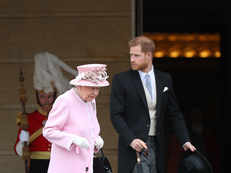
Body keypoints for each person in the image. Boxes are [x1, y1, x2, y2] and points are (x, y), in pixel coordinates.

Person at [110, 35, 196, 173]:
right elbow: (116, 115)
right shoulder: (121, 80)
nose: (132, 59)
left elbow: (174, 113)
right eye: (131, 55)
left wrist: (185, 140)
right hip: (133, 147)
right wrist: (131, 140)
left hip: (158, 144)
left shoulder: (165, 79)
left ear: (149, 55)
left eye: (136, 55)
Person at [14, 52, 77, 173]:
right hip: (38, 166)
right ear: (37, 97)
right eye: (42, 96)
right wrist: (23, 143)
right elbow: (18, 150)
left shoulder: (63, 117)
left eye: (50, 96)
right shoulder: (28, 118)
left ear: (55, 96)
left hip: (61, 163)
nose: (46, 100)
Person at [42, 64, 110, 173]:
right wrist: (72, 139)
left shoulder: (91, 101)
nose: (95, 93)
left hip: (86, 166)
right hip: (65, 167)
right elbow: (48, 131)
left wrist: (95, 139)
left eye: (98, 88)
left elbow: (91, 128)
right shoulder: (65, 101)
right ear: (79, 85)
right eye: (92, 88)